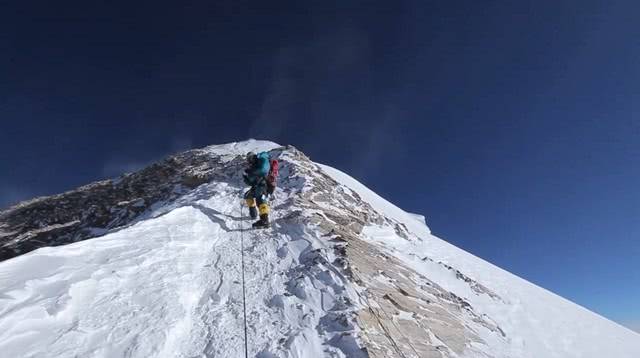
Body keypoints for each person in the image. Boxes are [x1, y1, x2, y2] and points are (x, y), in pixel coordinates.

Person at [243, 152, 271, 228]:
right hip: (256, 186)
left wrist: (250, 171)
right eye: (248, 159)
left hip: (262, 185)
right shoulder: (254, 166)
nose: (249, 161)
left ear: (253, 157)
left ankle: (265, 220)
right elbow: (251, 182)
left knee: (260, 200)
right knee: (247, 195)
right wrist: (246, 178)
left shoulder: (261, 160)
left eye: (249, 159)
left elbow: (263, 170)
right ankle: (253, 214)